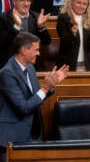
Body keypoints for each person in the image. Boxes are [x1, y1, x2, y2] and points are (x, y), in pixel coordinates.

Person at [0, 32, 69, 162]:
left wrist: (51, 85)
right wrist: (46, 88)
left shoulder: (30, 68)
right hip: (12, 138)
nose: (39, 53)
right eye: (36, 49)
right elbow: (23, 107)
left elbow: (36, 95)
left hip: (32, 135)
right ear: (23, 50)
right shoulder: (7, 73)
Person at [0, 0, 51, 69]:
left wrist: (41, 27)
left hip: (32, 66)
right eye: (22, 0)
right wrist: (16, 27)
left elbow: (47, 41)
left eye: (28, 0)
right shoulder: (3, 18)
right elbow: (3, 43)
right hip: (10, 66)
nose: (26, 4)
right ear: (14, 1)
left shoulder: (36, 17)